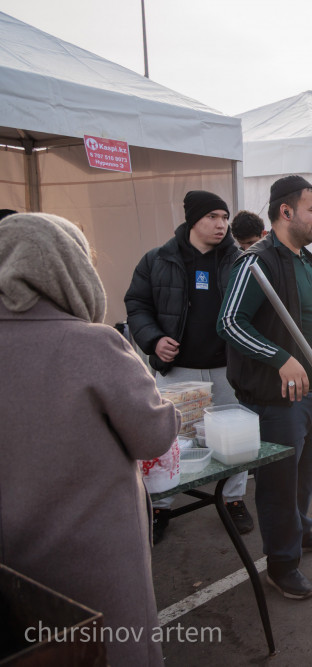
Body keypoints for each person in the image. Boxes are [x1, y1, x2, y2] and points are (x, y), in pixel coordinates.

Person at [0, 213, 178, 666]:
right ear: (69, 267)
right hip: (92, 558)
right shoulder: (91, 344)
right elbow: (153, 435)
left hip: (14, 563)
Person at [217, 175, 312, 600]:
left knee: (304, 476)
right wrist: (279, 358)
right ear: (286, 212)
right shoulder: (256, 261)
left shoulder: (303, 259)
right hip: (276, 398)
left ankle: (299, 532)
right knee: (279, 485)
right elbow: (230, 322)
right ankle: (282, 564)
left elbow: (310, 316)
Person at [125, 190, 252, 542]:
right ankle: (160, 505)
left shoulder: (238, 260)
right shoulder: (157, 259)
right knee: (167, 440)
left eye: (225, 218)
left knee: (234, 438)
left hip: (227, 368)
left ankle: (233, 499)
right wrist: (152, 340)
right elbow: (136, 304)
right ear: (192, 219)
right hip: (176, 371)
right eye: (213, 216)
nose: (221, 225)